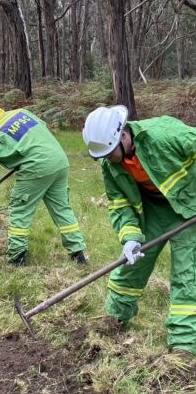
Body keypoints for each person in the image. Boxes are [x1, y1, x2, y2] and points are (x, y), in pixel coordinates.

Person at [82, 105, 196, 359]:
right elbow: (120, 205)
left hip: (191, 207)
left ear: (123, 136)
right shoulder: (111, 164)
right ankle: (115, 319)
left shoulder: (166, 135)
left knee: (187, 276)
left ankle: (183, 346)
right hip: (155, 210)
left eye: (111, 153)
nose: (109, 160)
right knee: (131, 267)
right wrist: (130, 237)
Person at [0, 101, 87, 266]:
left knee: (20, 209)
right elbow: (40, 129)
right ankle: (78, 255)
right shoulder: (20, 113)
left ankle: (16, 258)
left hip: (36, 167)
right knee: (62, 208)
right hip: (59, 160)